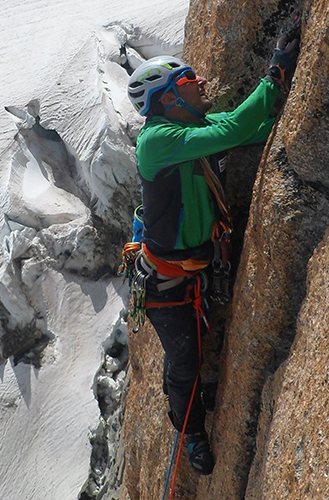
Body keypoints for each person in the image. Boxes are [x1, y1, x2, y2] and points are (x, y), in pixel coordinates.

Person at [126, 36, 299, 475]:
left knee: (198, 351)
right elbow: (233, 130)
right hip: (166, 280)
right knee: (184, 363)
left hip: (193, 268)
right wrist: (273, 76)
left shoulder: (188, 133)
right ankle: (191, 435)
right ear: (168, 97)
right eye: (188, 78)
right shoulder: (156, 141)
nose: (200, 80)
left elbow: (248, 128)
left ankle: (196, 408)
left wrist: (280, 103)